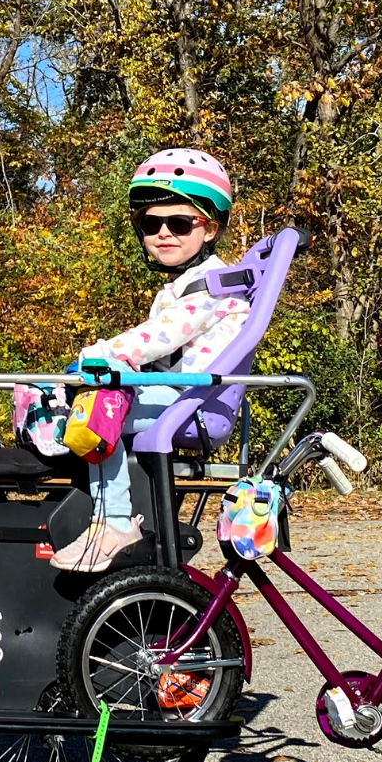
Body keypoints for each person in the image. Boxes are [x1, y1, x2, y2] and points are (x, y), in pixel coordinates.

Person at [49, 148, 249, 572]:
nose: (163, 233)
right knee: (95, 399)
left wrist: (97, 357)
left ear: (209, 228)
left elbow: (156, 339)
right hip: (180, 396)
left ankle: (115, 523)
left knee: (96, 413)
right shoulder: (186, 285)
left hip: (194, 405)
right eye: (150, 223)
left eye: (179, 222)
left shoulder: (213, 287)